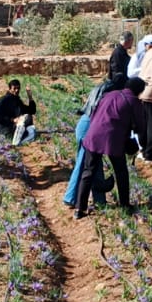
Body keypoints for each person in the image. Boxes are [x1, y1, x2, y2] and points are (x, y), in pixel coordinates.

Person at [75, 78, 148, 220]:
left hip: (93, 135)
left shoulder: (109, 95)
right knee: (121, 171)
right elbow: (140, 127)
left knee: (88, 171)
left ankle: (80, 208)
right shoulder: (133, 101)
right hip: (113, 139)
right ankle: (125, 205)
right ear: (139, 91)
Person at [64, 74, 123, 210]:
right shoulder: (110, 93)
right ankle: (71, 197)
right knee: (83, 164)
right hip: (89, 129)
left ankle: (100, 199)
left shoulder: (100, 88)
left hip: (86, 125)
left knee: (94, 164)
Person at [0, 79, 37, 145]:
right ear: (9, 89)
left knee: (30, 123)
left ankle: (20, 142)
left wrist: (30, 96)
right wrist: (12, 120)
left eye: (18, 88)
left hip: (13, 129)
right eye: (14, 88)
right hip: (3, 130)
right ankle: (16, 143)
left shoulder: (17, 102)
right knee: (25, 118)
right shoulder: (3, 100)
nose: (16, 90)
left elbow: (31, 111)